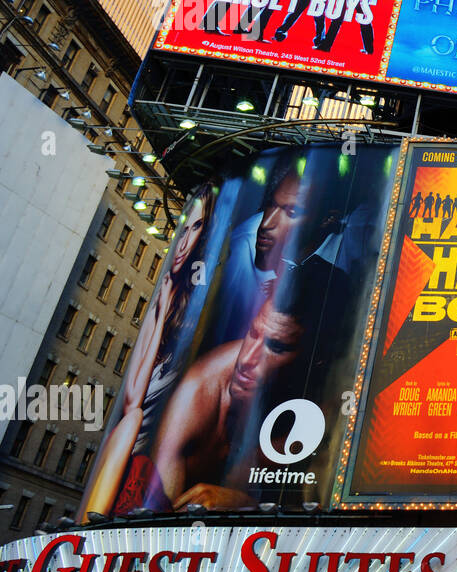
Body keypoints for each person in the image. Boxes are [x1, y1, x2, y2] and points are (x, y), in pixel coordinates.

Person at [148, 262, 337, 511]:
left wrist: (244, 504)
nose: (246, 360)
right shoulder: (197, 393)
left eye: (276, 347)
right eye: (253, 333)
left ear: (315, 359)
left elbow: (329, 513)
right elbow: (160, 519)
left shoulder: (327, 408)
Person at [80, 184, 217, 519]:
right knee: (132, 420)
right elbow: (132, 399)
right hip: (125, 456)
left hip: (152, 468)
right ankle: (89, 527)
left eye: (196, 229)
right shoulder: (164, 300)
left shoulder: (195, 303)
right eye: (181, 231)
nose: (182, 244)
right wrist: (160, 308)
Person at [206, 155, 311, 347]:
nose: (267, 223)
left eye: (292, 212)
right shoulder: (245, 243)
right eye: (271, 204)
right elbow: (227, 321)